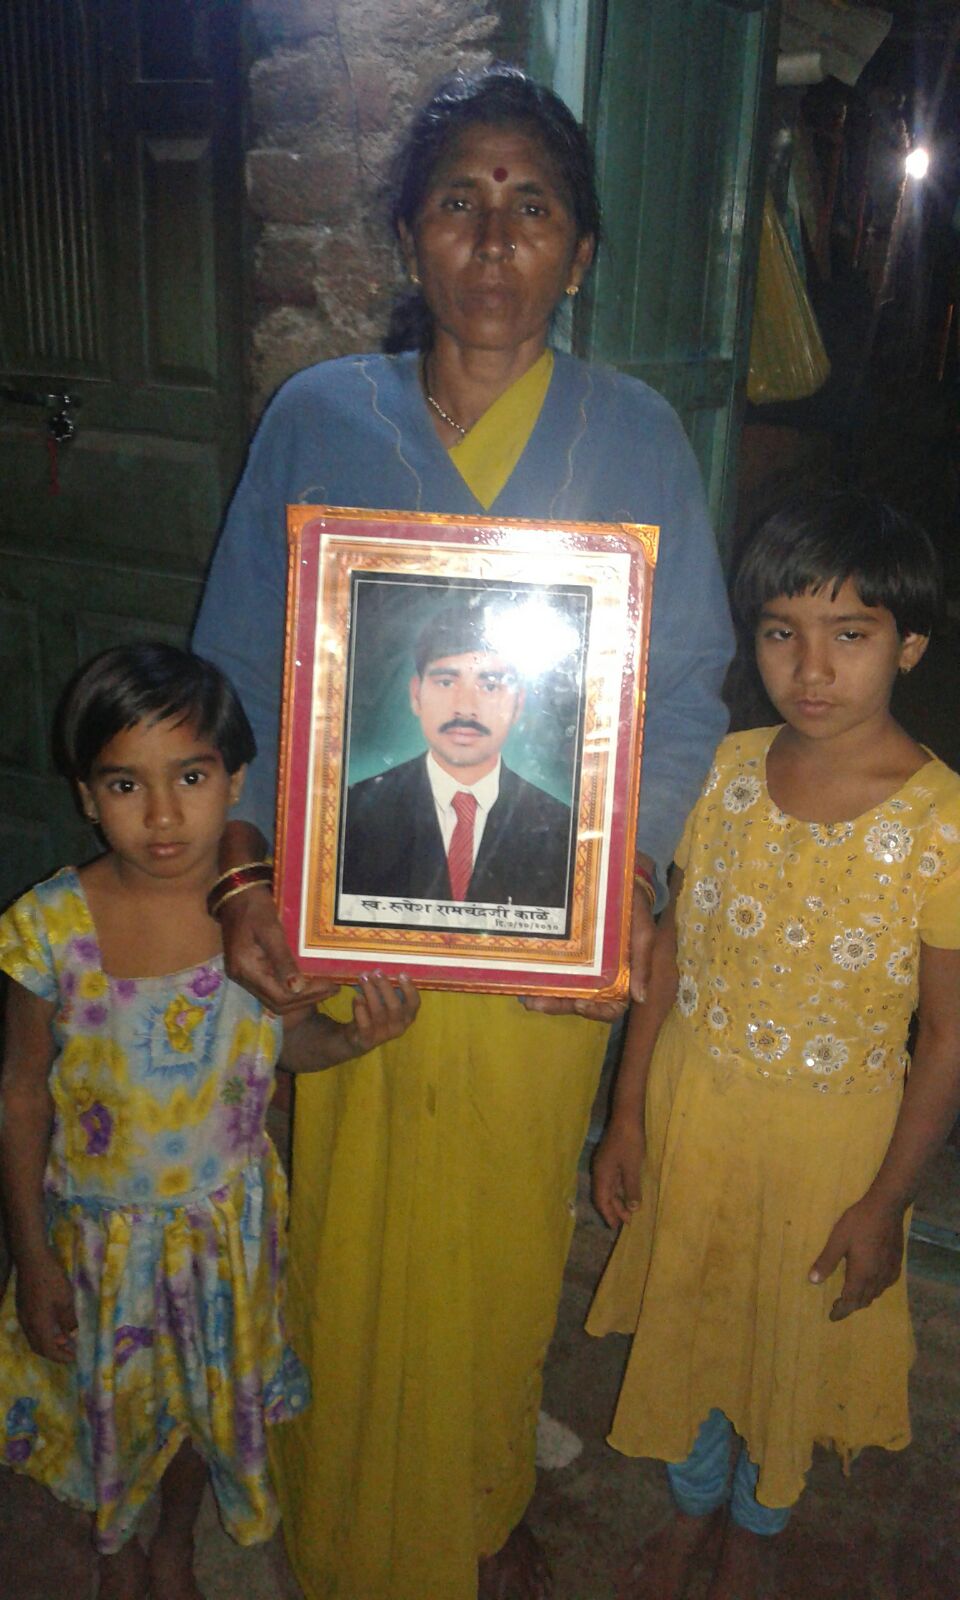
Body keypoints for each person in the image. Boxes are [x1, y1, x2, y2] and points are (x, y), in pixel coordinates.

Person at [192, 64, 734, 1600]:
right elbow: (233, 663)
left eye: (532, 205)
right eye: (459, 202)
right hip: (349, 926)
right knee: (351, 1253)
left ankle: (480, 1487)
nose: (494, 238)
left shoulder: (635, 439)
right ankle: (357, 1520)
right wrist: (242, 878)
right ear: (411, 238)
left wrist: (626, 878)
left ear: (581, 252)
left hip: (536, 949)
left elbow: (682, 688)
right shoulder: (320, 419)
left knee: (499, 1259)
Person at [587, 487, 960, 1600]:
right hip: (698, 1116)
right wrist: (627, 1113)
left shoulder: (942, 820)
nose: (812, 667)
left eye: (851, 637)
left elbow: (944, 1037)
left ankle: (759, 1521)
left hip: (831, 1151)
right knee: (697, 1310)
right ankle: (696, 1505)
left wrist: (888, 1199)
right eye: (783, 633)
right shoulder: (725, 768)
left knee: (793, 1341)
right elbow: (672, 958)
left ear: (910, 646)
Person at [0, 643, 419, 1600]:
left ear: (236, 779)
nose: (160, 815)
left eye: (190, 777)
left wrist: (354, 1041)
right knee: (109, 1409)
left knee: (204, 1407)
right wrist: (30, 1253)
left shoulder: (262, 926)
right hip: (100, 1245)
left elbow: (284, 1046)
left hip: (226, 1234)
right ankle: (117, 1553)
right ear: (83, 794)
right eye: (124, 783)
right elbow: (21, 1093)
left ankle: (177, 1541)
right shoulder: (48, 929)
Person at [341, 599, 574, 909]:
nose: (465, 707)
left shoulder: (565, 832)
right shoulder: (350, 814)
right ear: (416, 695)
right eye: (447, 682)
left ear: (518, 704)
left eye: (490, 686)